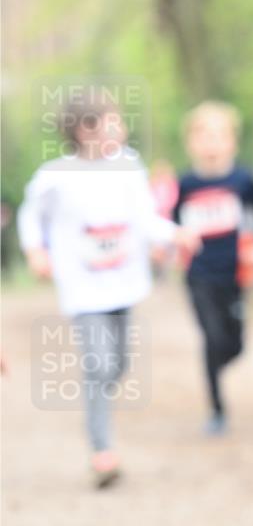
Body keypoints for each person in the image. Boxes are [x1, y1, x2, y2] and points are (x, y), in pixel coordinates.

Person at [18, 89, 198, 488]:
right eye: (112, 120)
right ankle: (102, 451)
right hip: (82, 291)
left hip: (123, 284)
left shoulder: (129, 166)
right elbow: (30, 214)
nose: (122, 127)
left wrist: (174, 234)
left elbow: (144, 217)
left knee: (117, 365)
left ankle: (98, 403)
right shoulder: (55, 177)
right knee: (98, 365)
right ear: (85, 130)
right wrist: (35, 251)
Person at [174, 101, 253, 436]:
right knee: (211, 337)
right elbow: (169, 222)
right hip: (198, 274)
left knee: (234, 345)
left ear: (232, 141)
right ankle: (217, 409)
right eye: (203, 136)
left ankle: (217, 366)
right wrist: (169, 244)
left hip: (234, 273)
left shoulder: (243, 179)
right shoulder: (185, 184)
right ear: (191, 143)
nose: (211, 143)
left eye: (219, 136)